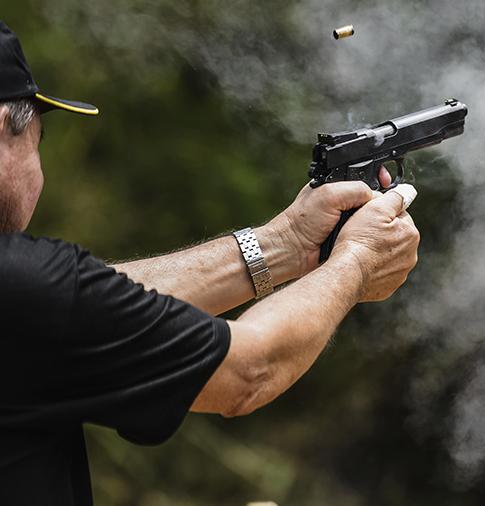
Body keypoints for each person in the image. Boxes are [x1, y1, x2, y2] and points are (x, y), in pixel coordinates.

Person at [0, 20, 420, 505]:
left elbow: (88, 303)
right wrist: (357, 262)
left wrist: (283, 243)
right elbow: (251, 371)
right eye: (38, 140)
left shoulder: (26, 294)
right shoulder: (23, 288)